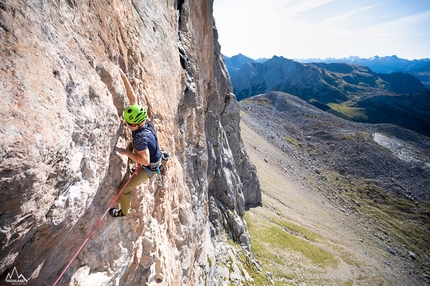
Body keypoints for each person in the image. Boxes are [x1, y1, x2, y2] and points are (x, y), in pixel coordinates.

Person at [109, 69, 162, 217]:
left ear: (138, 125)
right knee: (137, 152)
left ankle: (123, 212)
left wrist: (126, 153)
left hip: (149, 168)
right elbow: (132, 98)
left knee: (124, 190)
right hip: (151, 153)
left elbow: (145, 161)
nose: (127, 125)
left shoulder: (139, 138)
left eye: (130, 124)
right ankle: (133, 165)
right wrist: (124, 77)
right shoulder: (144, 120)